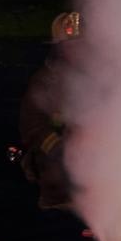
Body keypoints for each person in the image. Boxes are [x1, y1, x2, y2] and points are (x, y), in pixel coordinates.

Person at [18, 11, 80, 211]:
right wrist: (58, 146)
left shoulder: (96, 78)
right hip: (55, 164)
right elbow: (32, 124)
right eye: (71, 46)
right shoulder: (45, 81)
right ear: (59, 47)